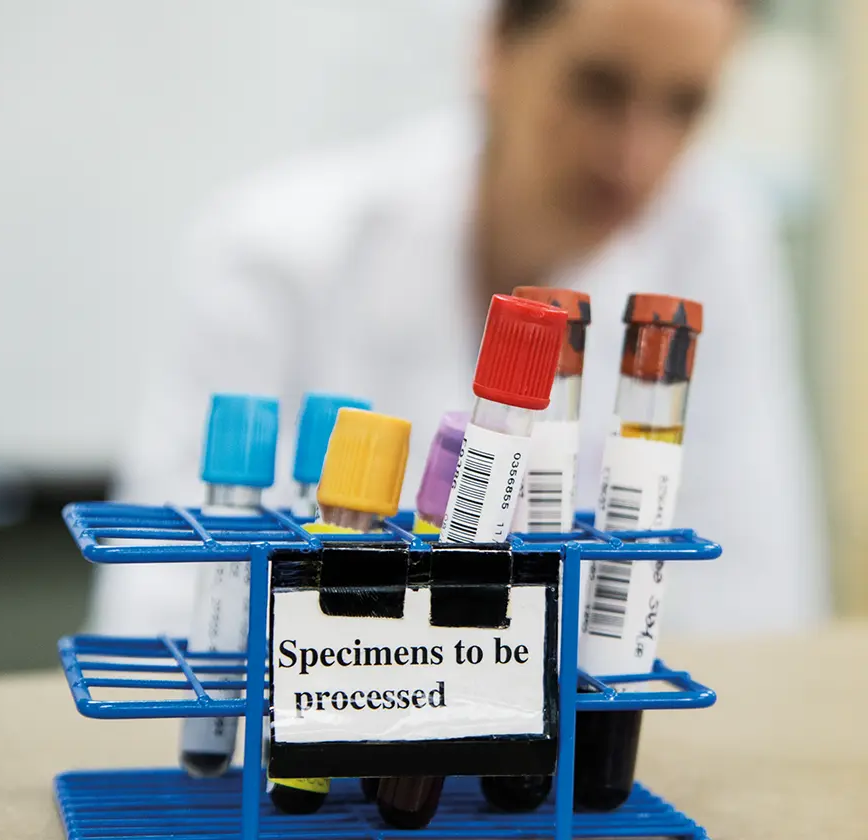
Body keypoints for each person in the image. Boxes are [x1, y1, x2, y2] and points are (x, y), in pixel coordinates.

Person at [88, 0, 828, 639]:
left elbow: (756, 594)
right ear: (496, 49)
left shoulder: (715, 240)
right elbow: (167, 595)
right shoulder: (275, 253)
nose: (635, 156)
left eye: (684, 105)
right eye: (598, 87)